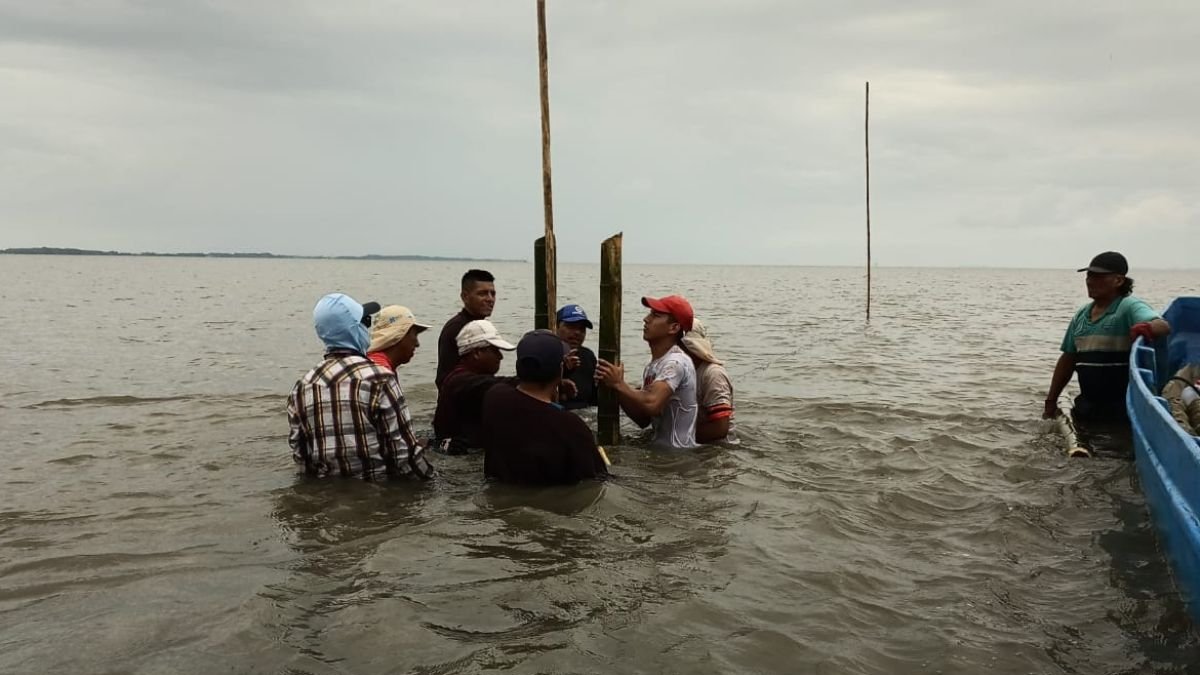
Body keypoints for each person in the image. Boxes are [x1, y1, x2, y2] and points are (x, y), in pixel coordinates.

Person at [287, 293, 433, 480]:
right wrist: (432, 482)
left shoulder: (302, 386)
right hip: (379, 493)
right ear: (356, 329)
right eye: (366, 322)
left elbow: (301, 459)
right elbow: (403, 454)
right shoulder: (379, 379)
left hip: (327, 497)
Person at [1043, 251, 1171, 422]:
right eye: (1089, 276)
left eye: (1098, 276)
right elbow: (1068, 359)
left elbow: (1162, 326)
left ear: (1118, 280)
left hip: (1123, 408)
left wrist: (1146, 328)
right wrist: (1051, 401)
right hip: (1088, 407)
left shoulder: (1128, 306)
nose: (1090, 281)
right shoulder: (1081, 315)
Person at [482, 330, 610, 485]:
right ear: (560, 369)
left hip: (499, 493)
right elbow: (597, 479)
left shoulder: (495, 398)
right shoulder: (571, 426)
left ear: (518, 366)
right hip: (551, 502)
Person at [596, 295, 699, 449]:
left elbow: (652, 403)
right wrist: (616, 388)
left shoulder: (676, 362)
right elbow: (643, 420)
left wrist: (619, 384)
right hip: (662, 453)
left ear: (674, 328)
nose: (646, 319)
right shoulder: (653, 366)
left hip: (677, 458)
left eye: (655, 315)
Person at [432, 319, 517, 453]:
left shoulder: (464, 379)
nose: (500, 357)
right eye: (495, 350)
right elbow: (505, 385)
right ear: (477, 353)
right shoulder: (462, 382)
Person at [436, 269, 496, 389]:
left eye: (492, 293)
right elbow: (446, 378)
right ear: (465, 296)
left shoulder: (480, 326)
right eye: (482, 293)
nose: (490, 299)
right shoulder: (458, 328)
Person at [681, 319, 736, 444]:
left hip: (718, 448)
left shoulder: (713, 374)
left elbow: (719, 429)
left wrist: (678, 435)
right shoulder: (677, 371)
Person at [556, 304, 599, 410]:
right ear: (556, 326)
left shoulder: (587, 356)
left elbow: (594, 399)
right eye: (571, 326)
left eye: (581, 329)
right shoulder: (545, 353)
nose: (577, 332)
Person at [366, 305, 430, 373]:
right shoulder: (383, 374)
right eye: (415, 334)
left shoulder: (368, 362)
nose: (417, 344)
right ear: (400, 336)